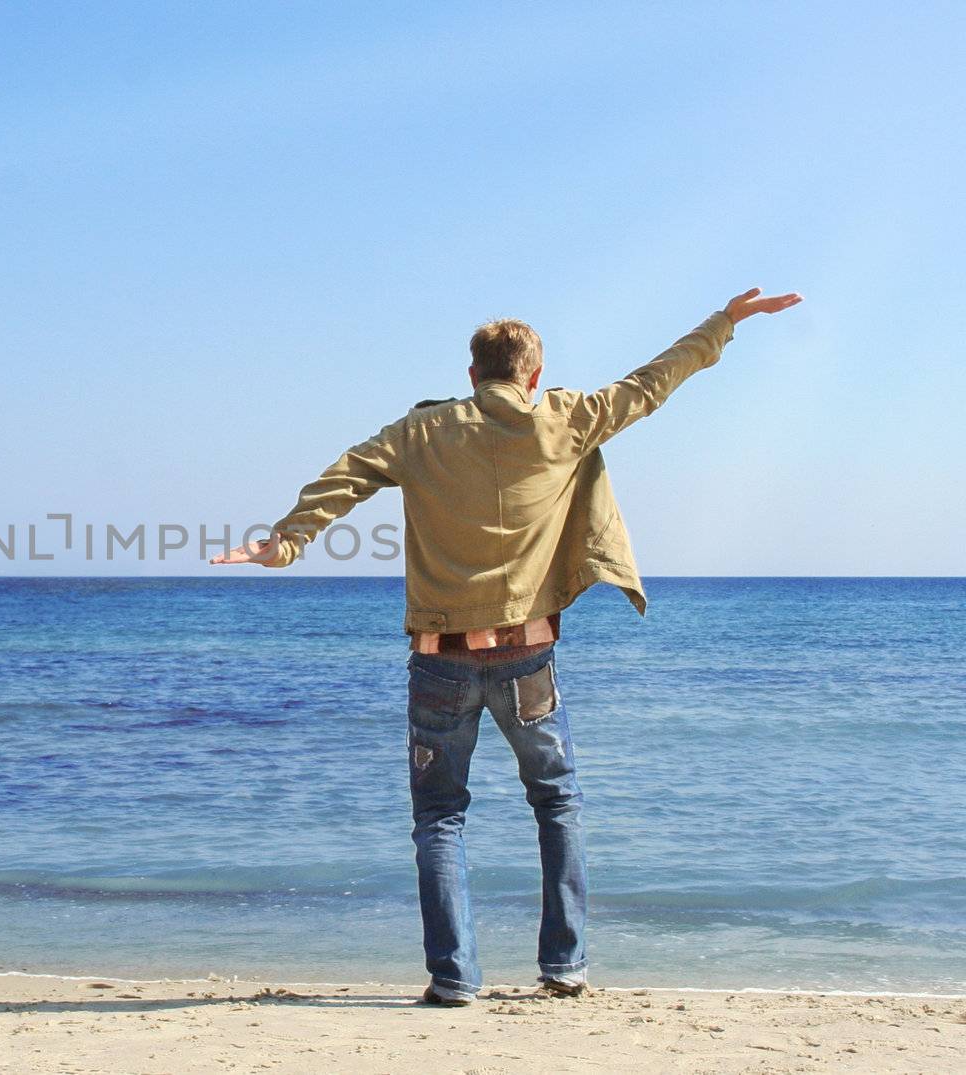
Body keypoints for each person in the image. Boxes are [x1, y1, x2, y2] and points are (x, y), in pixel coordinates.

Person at [210, 287, 803, 1005]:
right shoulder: (565, 418)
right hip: (527, 656)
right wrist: (724, 324)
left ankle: (454, 977)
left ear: (471, 375)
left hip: (440, 659)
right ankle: (564, 965)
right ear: (533, 373)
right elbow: (653, 384)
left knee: (440, 816)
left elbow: (345, 478)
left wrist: (286, 541)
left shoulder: (419, 432)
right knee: (556, 803)